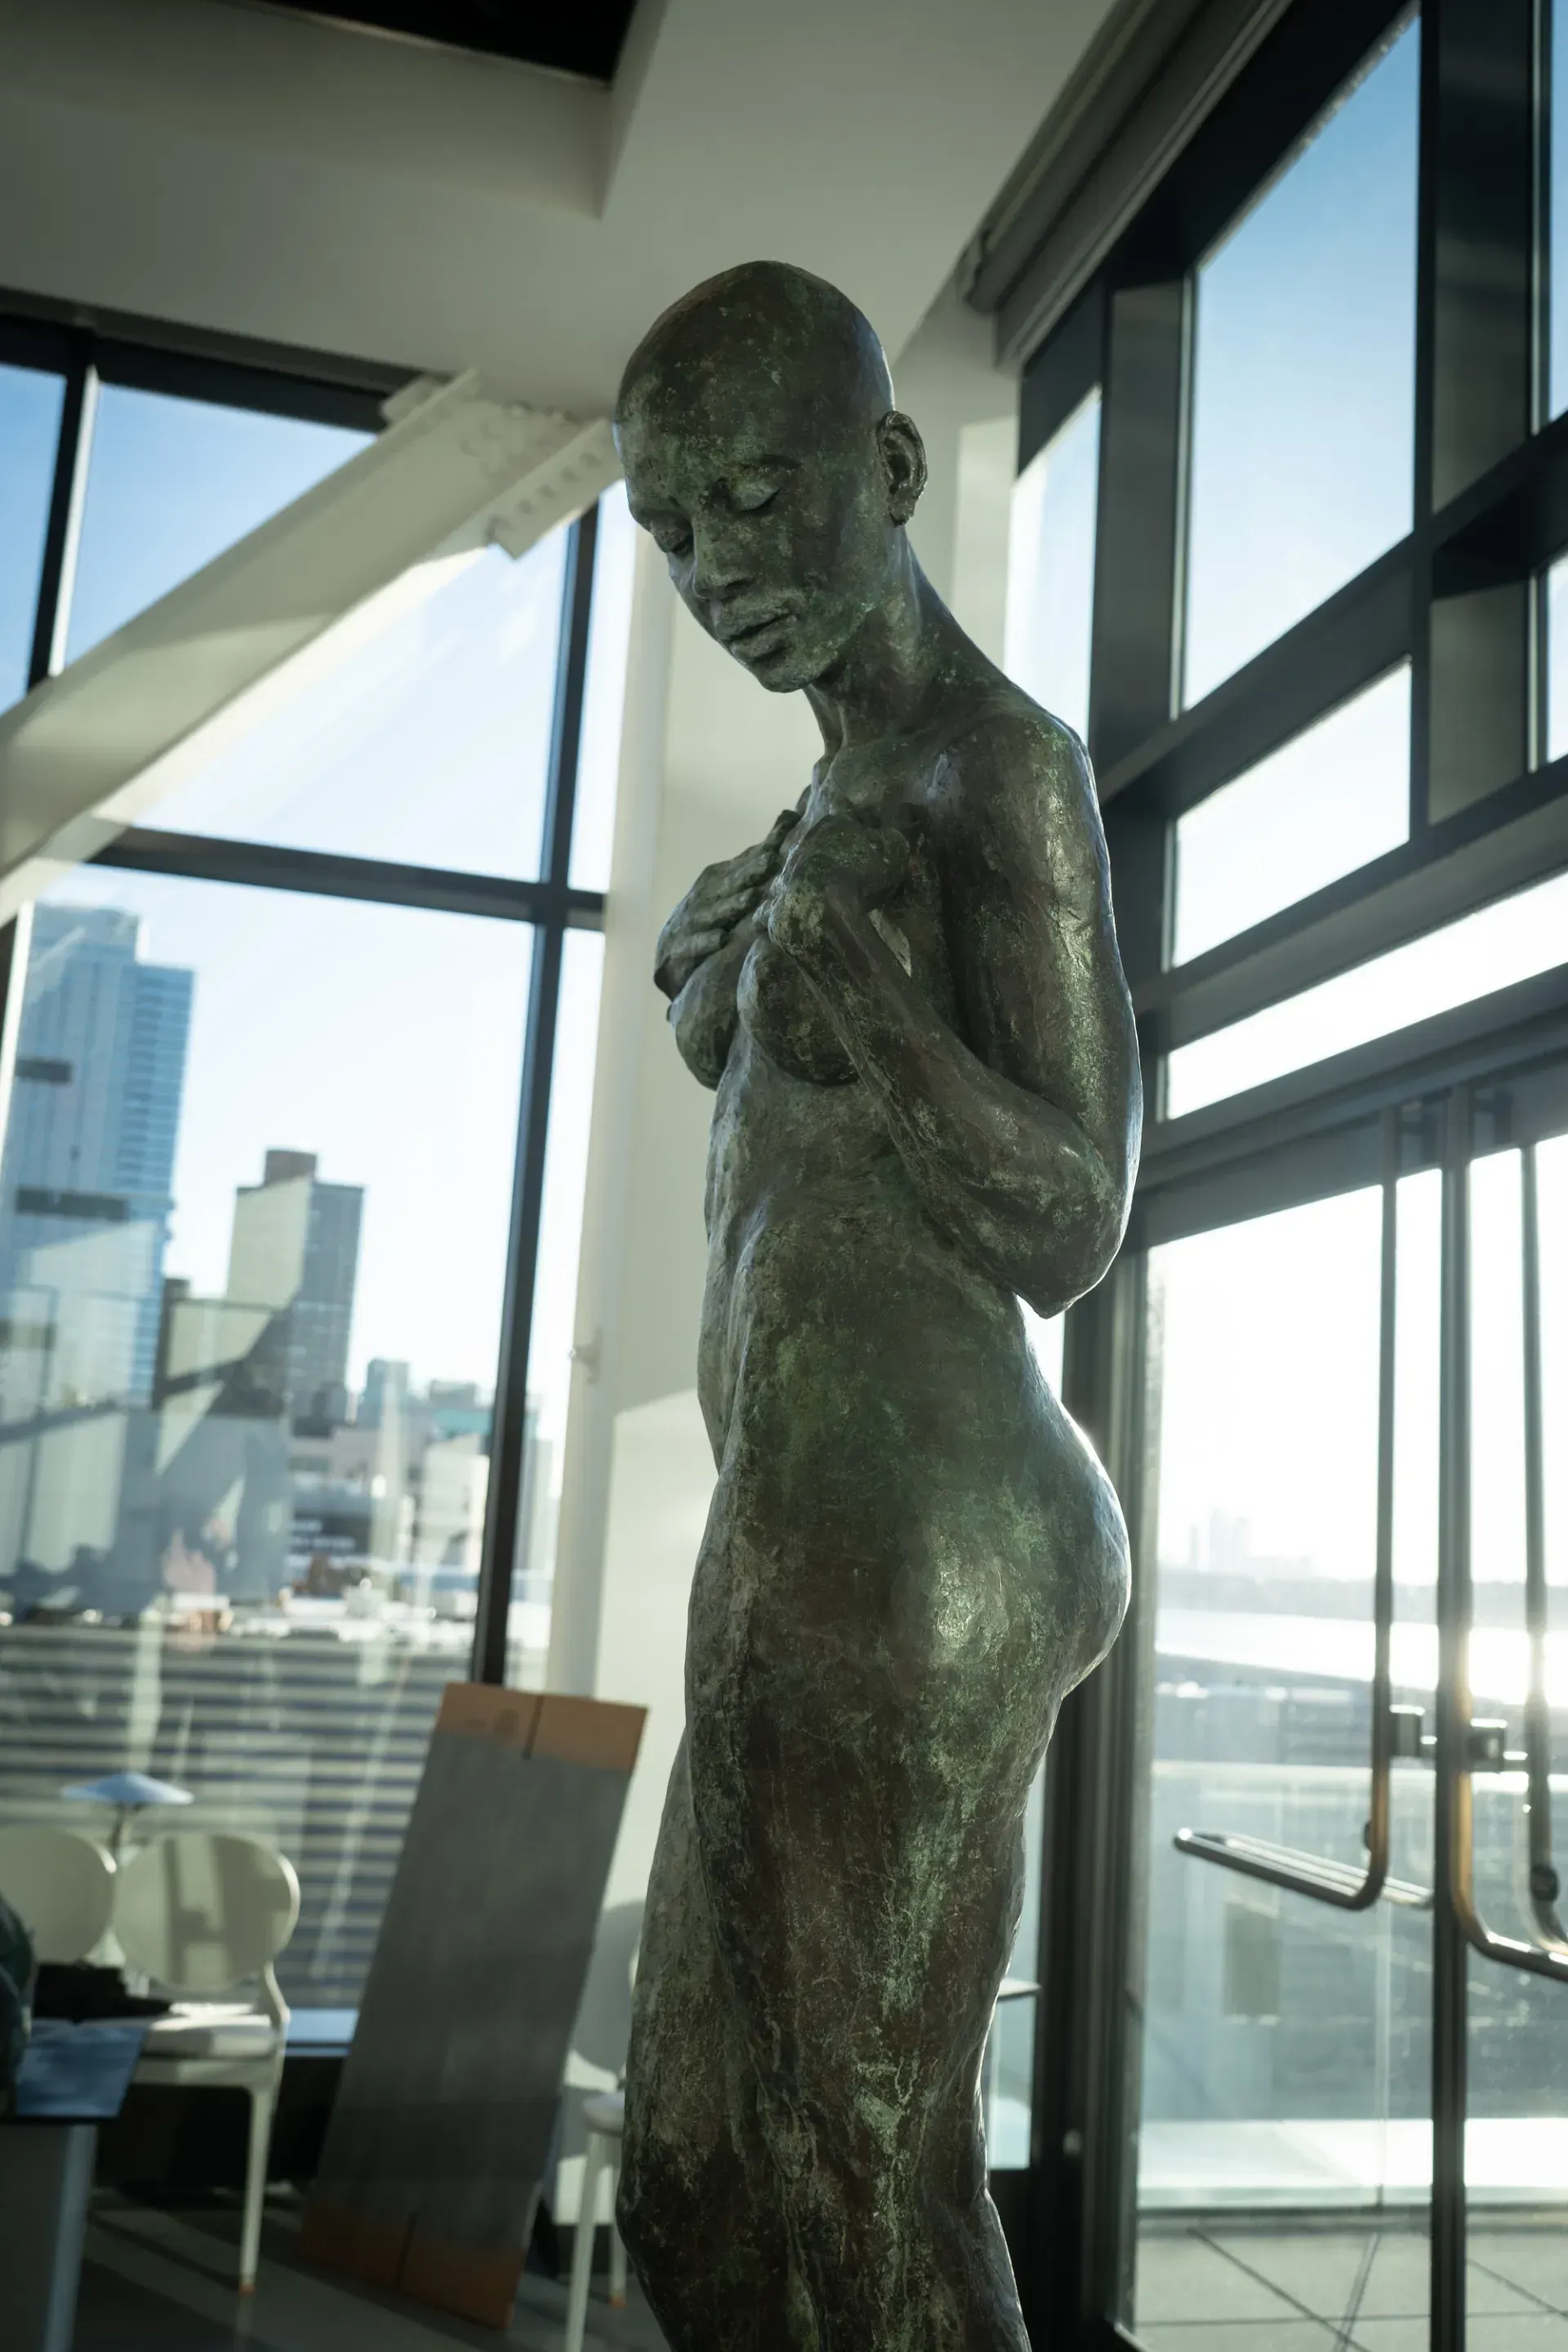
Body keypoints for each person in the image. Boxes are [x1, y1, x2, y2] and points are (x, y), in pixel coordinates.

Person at [612, 260, 1141, 2352]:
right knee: (687, 2182)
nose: (718, 572)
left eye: (758, 502)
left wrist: (891, 1037)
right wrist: (711, 993)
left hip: (935, 1544)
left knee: (865, 2167)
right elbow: (797, 1164)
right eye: (672, 535)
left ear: (892, 468)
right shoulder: (827, 791)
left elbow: (1079, 1214)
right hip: (793, 1526)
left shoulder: (996, 773)